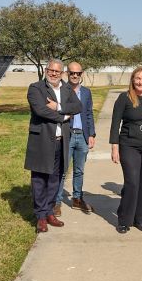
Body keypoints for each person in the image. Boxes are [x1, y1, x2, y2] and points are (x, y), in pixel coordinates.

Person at [24, 59, 82, 233]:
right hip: (42, 141)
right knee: (39, 179)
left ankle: (49, 211)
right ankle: (40, 216)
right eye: (51, 70)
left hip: (60, 141)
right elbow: (40, 110)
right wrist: (64, 117)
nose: (54, 73)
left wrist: (58, 106)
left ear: (62, 73)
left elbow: (78, 106)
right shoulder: (36, 88)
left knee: (54, 179)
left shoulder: (66, 88)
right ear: (46, 70)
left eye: (57, 71)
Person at [110, 65, 142, 234]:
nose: (140, 82)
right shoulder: (124, 98)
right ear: (133, 80)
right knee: (132, 182)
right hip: (129, 145)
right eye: (138, 78)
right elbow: (115, 123)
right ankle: (124, 219)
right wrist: (114, 147)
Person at [54, 61, 95, 216]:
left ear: (81, 74)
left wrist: (91, 134)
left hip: (82, 136)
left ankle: (77, 199)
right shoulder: (61, 91)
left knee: (79, 170)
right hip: (67, 135)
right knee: (62, 170)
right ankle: (56, 202)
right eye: (72, 73)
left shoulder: (86, 92)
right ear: (67, 74)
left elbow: (89, 114)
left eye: (78, 73)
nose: (75, 76)